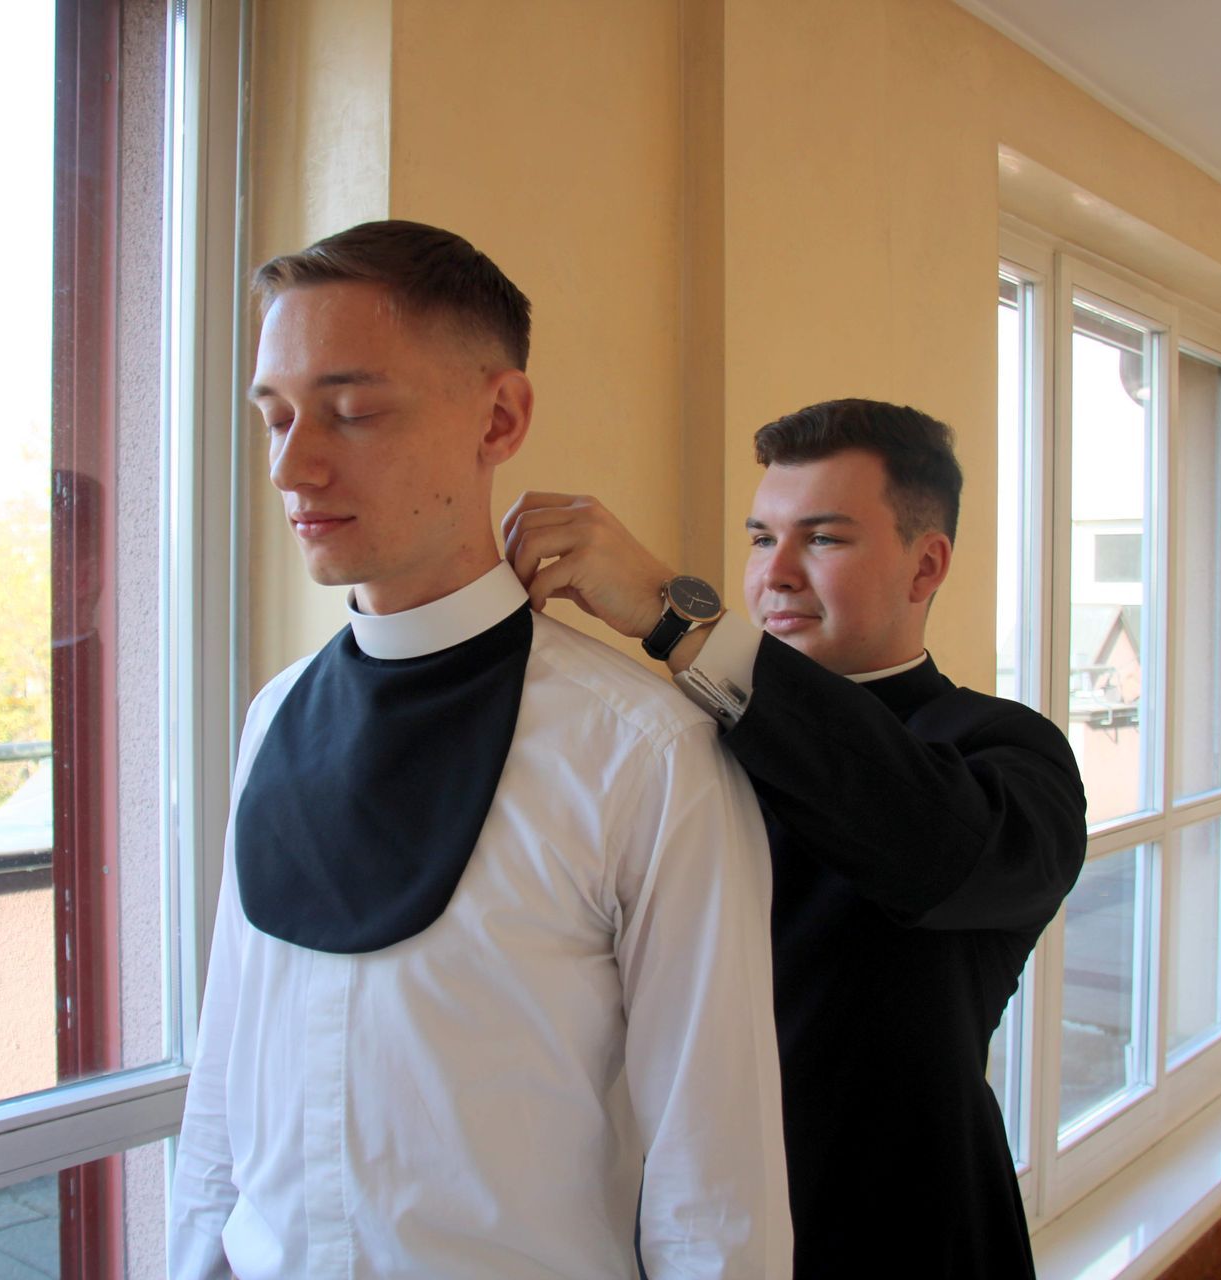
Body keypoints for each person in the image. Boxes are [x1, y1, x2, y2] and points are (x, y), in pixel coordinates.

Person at [167, 221, 791, 1280]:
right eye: (274, 415)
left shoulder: (643, 758)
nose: (290, 465)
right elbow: (226, 1087)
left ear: (499, 418)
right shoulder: (272, 719)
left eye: (352, 410)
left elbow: (714, 1192)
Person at [502, 398, 1087, 1277]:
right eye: (760, 538)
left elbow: (929, 848)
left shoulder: (1005, 754)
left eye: (823, 539)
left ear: (926, 565)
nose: (774, 574)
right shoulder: (682, 744)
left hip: (905, 1241)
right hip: (672, 1234)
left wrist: (677, 615)